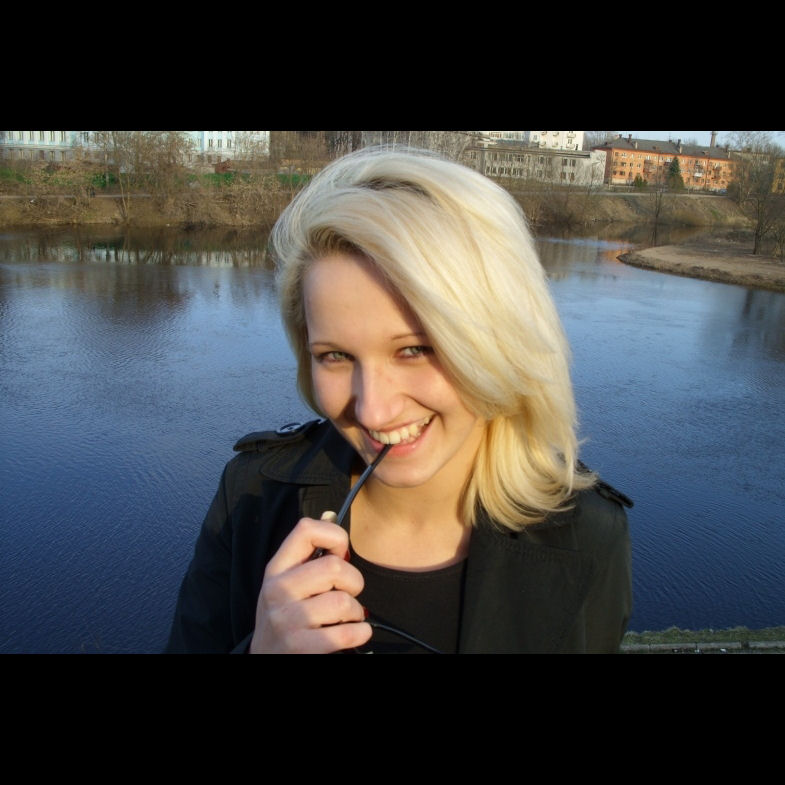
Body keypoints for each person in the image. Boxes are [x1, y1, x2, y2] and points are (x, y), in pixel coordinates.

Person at [165, 146, 633, 654]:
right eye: (335, 356)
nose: (373, 411)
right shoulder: (253, 496)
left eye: (414, 349)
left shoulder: (587, 535)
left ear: (499, 342)